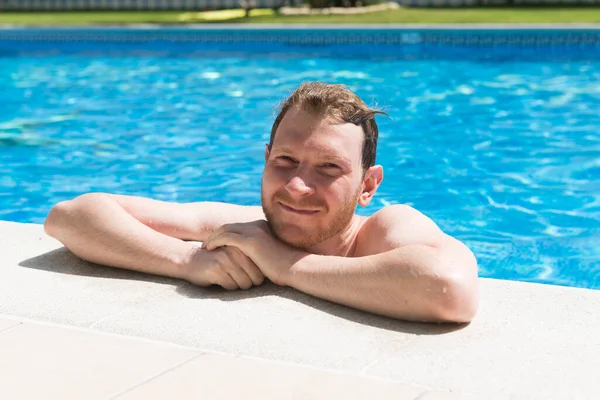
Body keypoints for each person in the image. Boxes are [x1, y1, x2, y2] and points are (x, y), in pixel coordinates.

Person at [44, 82, 479, 323]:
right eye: (286, 161)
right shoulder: (244, 226)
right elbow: (70, 217)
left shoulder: (382, 229)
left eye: (328, 168)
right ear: (266, 159)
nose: (297, 187)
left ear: (368, 186)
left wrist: (283, 264)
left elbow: (447, 289)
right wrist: (186, 261)